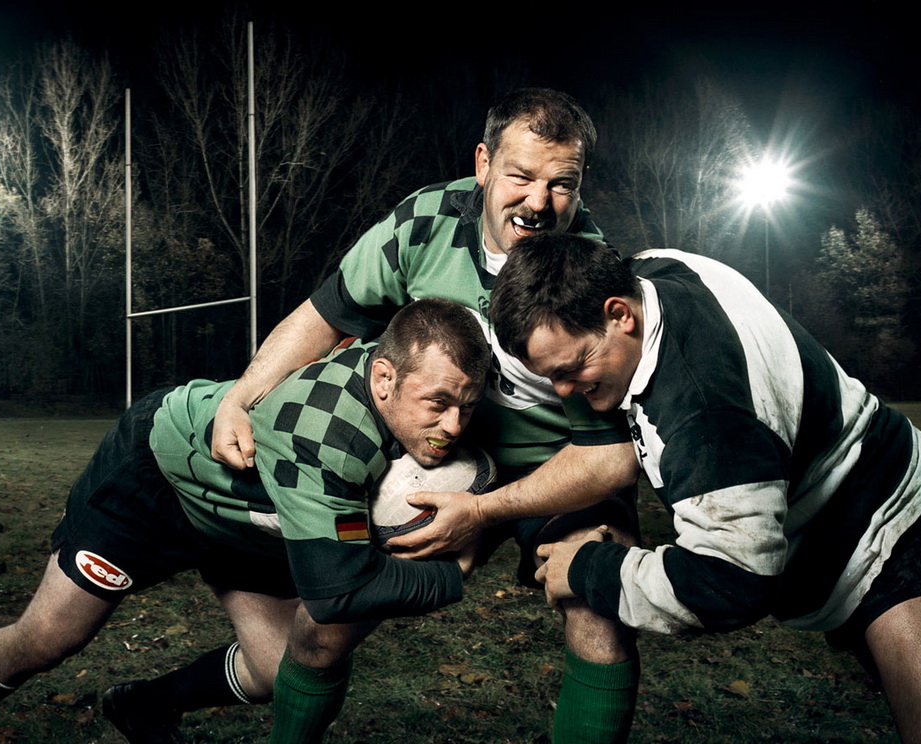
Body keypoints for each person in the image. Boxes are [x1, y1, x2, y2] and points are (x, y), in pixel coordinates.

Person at [210, 87, 642, 743]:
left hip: (558, 468)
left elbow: (612, 458)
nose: (539, 202)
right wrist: (239, 398)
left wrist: (486, 511)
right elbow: (322, 316)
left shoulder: (595, 272)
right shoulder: (425, 222)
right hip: (440, 457)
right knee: (324, 625)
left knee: (599, 605)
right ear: (483, 164)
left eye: (562, 184)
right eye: (521, 176)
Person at [0, 297, 490, 744]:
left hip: (249, 515)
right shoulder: (325, 437)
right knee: (46, 640)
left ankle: (142, 705)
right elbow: (339, 594)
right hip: (157, 481)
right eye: (437, 404)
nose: (454, 426)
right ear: (383, 379)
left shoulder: (405, 376)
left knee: (274, 671)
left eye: (466, 407)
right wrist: (452, 574)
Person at [489, 234, 921, 744]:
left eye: (572, 369)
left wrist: (587, 568)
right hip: (855, 532)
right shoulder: (654, 268)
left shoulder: (705, 415)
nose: (564, 391)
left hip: (894, 531)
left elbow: (732, 581)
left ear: (619, 315)